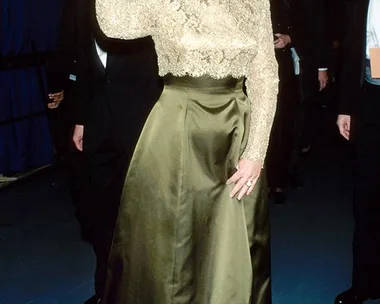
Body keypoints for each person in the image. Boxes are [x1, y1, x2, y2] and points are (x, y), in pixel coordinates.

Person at [95, 0, 278, 303]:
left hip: (238, 133)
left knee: (237, 241)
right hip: (177, 129)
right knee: (172, 247)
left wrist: (256, 151)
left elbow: (265, 76)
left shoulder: (256, 2)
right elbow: (114, 23)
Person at [71, 0, 163, 303]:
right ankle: (106, 291)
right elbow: (83, 59)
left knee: (143, 211)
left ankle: (145, 290)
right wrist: (82, 120)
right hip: (99, 124)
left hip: (141, 121)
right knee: (102, 212)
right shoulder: (83, 5)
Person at [335, 0, 380, 303]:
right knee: (366, 196)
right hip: (370, 95)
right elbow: (353, 43)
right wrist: (345, 107)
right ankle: (365, 284)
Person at [266, 0, 301, 204]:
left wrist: (290, 38)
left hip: (282, 66)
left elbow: (309, 26)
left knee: (281, 124)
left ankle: (279, 181)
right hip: (252, 64)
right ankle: (262, 180)